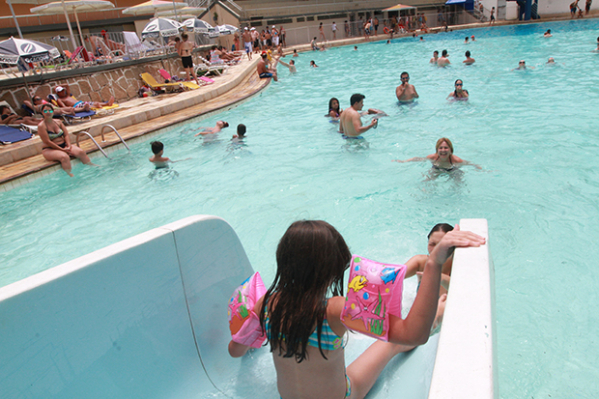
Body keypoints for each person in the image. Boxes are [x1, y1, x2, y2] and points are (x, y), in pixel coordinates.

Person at [228, 220, 485, 399]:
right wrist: (434, 263)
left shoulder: (266, 304)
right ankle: (437, 317)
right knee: (389, 344)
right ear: (327, 271)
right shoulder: (334, 310)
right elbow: (413, 334)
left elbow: (235, 351)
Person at [37, 103, 95, 177]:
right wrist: (62, 149)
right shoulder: (41, 126)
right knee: (64, 157)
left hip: (64, 145)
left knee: (80, 152)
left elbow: (66, 135)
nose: (48, 113)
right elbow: (47, 141)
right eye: (45, 111)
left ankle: (90, 165)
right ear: (42, 113)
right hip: (49, 149)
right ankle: (69, 175)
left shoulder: (58, 122)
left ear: (53, 111)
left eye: (50, 111)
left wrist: (68, 146)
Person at [393, 137, 482, 172]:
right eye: (440, 148)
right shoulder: (433, 157)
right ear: (437, 150)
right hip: (437, 168)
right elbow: (418, 159)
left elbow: (469, 163)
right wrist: (404, 161)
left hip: (452, 170)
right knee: (427, 180)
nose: (443, 150)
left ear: (451, 150)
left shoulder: (456, 160)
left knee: (458, 184)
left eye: (446, 148)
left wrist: (480, 169)